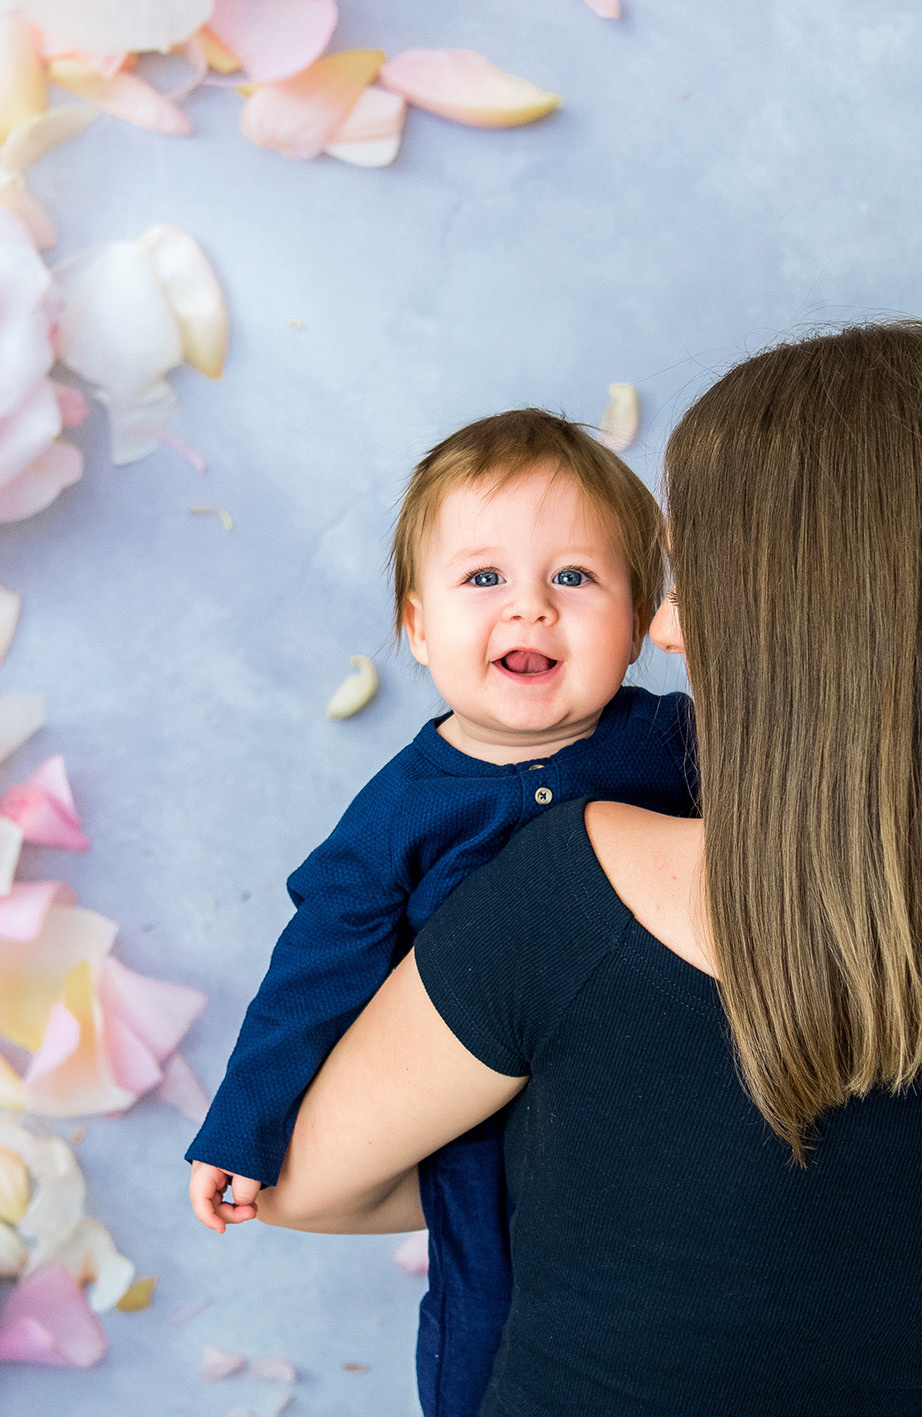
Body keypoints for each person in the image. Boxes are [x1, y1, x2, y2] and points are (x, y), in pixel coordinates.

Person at [254, 323, 922, 1416]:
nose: (659, 623)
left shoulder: (570, 894)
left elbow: (296, 1179)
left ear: (786, 616)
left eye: (686, 573)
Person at [187, 409, 698, 1417]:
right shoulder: (399, 812)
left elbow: (799, 764)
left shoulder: (679, 743)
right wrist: (240, 1128)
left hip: (660, 1093)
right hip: (479, 1119)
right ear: (418, 627)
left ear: (642, 622)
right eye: (483, 580)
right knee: (484, 1325)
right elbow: (313, 972)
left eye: (573, 578)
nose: (530, 611)